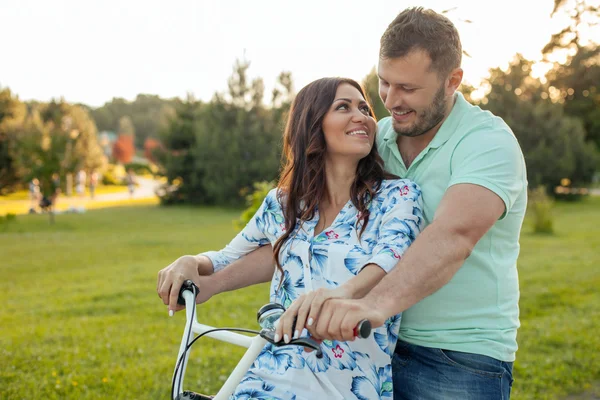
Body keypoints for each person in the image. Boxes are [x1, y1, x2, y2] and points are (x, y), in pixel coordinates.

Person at [179, 7, 528, 399]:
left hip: (456, 355)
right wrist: (208, 279)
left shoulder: (486, 143)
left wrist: (370, 305)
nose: (390, 102)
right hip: (365, 344)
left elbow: (453, 237)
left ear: (452, 81)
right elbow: (295, 241)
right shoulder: (376, 142)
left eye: (408, 89)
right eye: (384, 82)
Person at [157, 77, 424, 399]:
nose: (363, 116)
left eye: (364, 108)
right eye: (344, 107)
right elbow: (227, 256)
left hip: (349, 384)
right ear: (312, 125)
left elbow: (392, 255)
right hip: (269, 376)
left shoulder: (398, 195)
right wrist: (190, 262)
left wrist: (340, 294)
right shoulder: (283, 204)